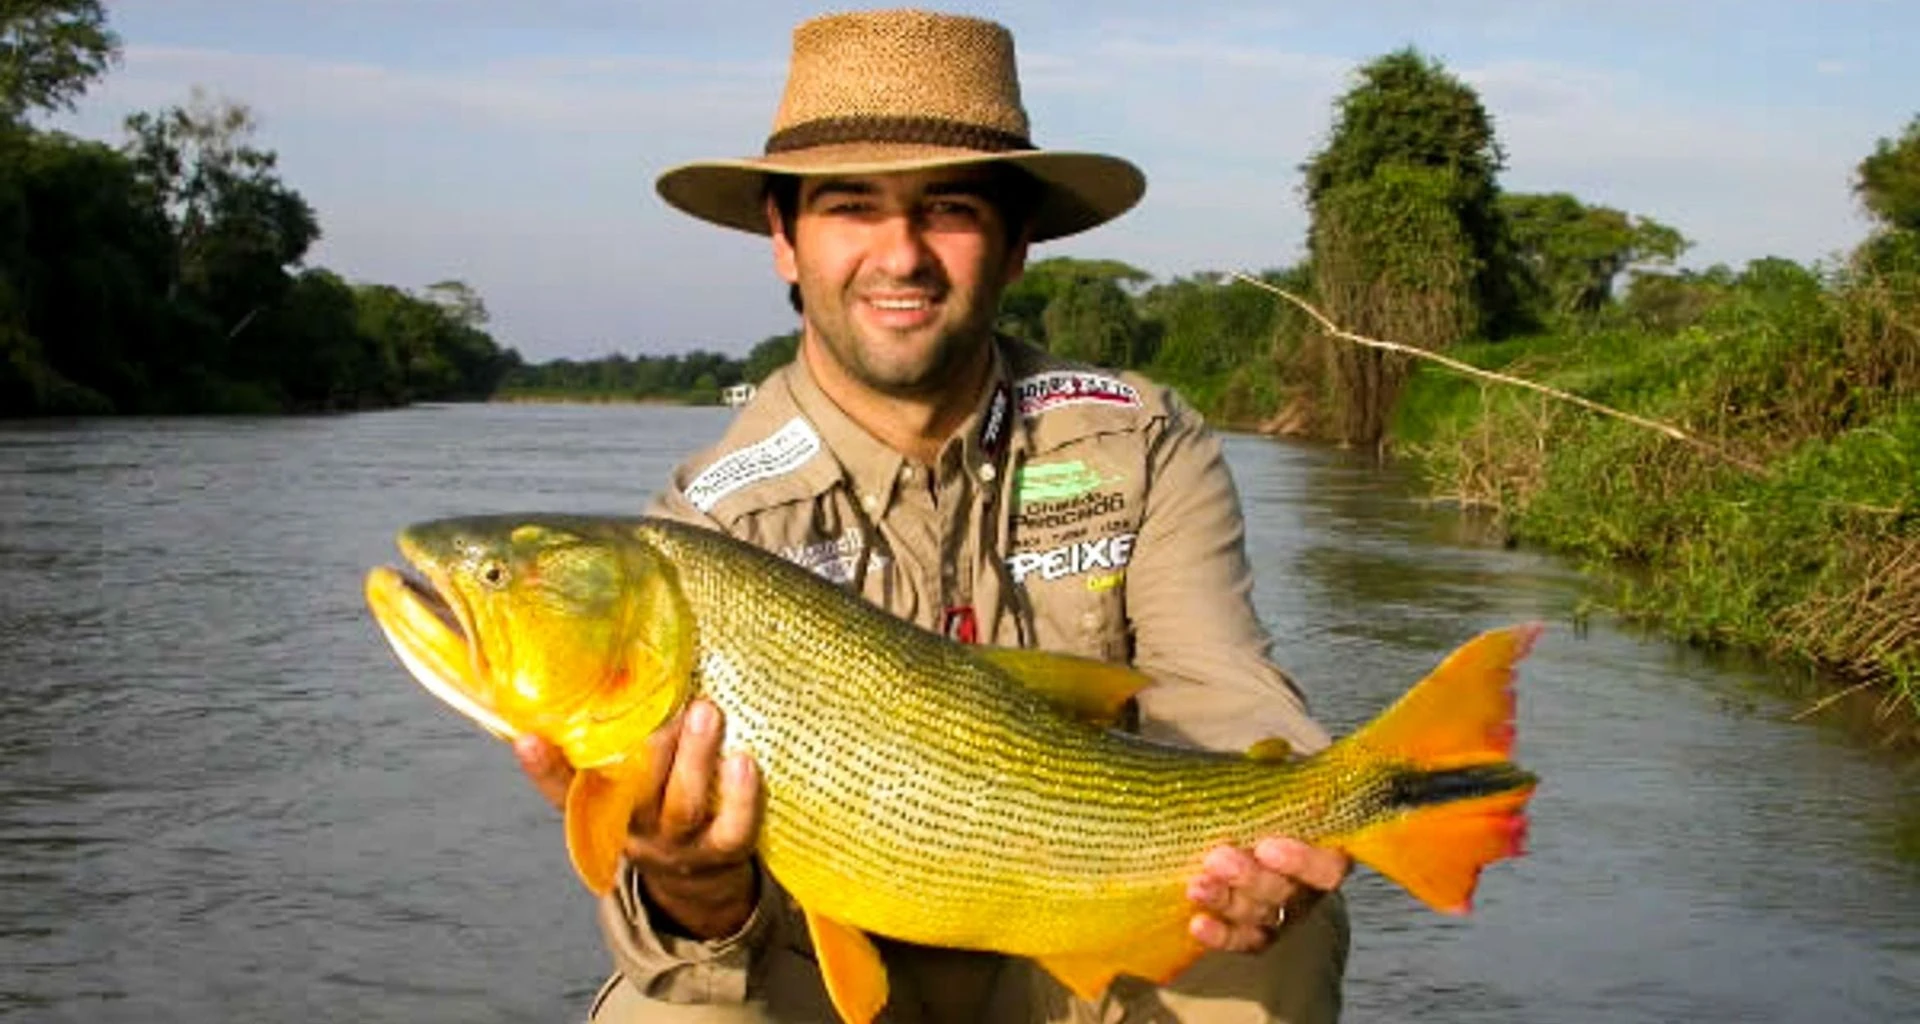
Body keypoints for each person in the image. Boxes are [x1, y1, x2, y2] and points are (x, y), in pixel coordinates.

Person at [513, 10, 1352, 1022]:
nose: (900, 253)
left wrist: (1297, 815)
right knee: (673, 1010)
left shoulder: (1142, 440)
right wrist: (694, 887)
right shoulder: (703, 524)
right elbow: (685, 937)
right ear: (785, 239)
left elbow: (1224, 690)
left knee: (1273, 948)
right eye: (850, 206)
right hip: (820, 958)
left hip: (1078, 913)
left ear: (1015, 245)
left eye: (946, 206)